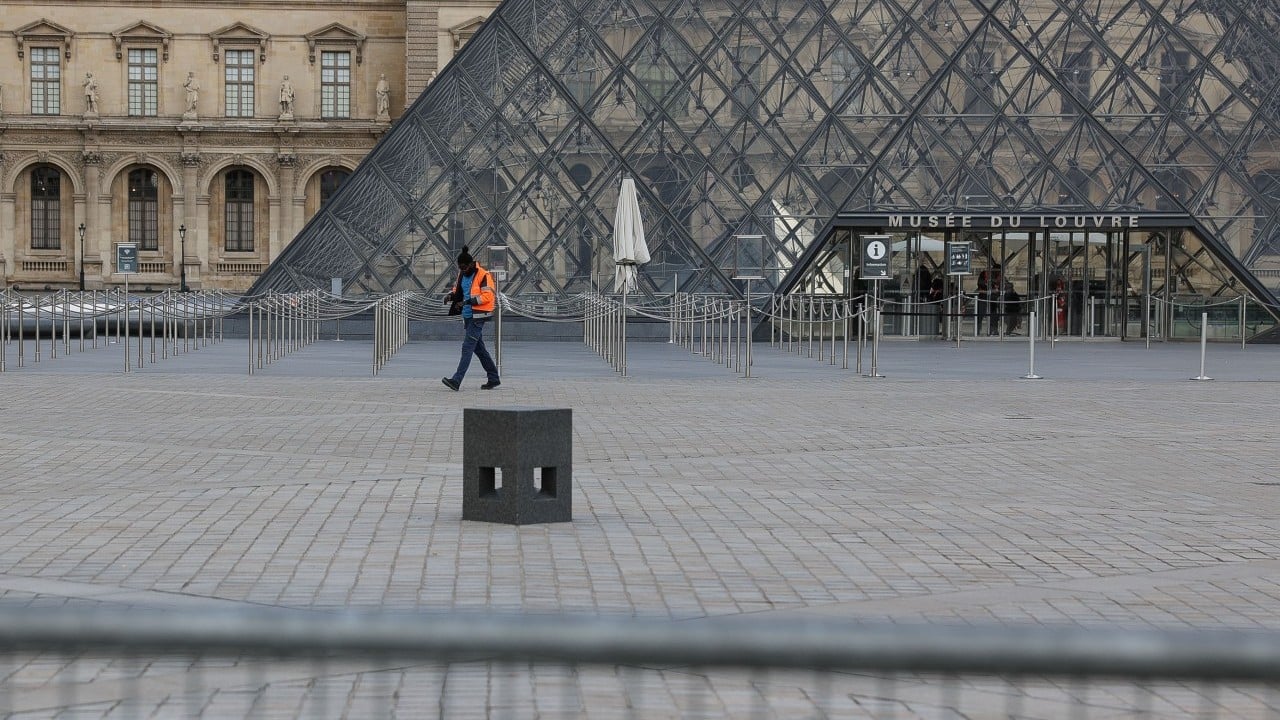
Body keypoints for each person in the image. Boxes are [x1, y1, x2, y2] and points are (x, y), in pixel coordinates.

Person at [442, 246, 501, 391]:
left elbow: (488, 296)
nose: (462, 270)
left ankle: (456, 380)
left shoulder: (484, 275)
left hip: (479, 316)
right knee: (479, 349)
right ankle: (493, 378)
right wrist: (450, 295)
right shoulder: (462, 274)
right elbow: (458, 291)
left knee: (467, 347)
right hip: (468, 315)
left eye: (464, 267)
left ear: (471, 264)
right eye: (460, 268)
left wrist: (469, 302)